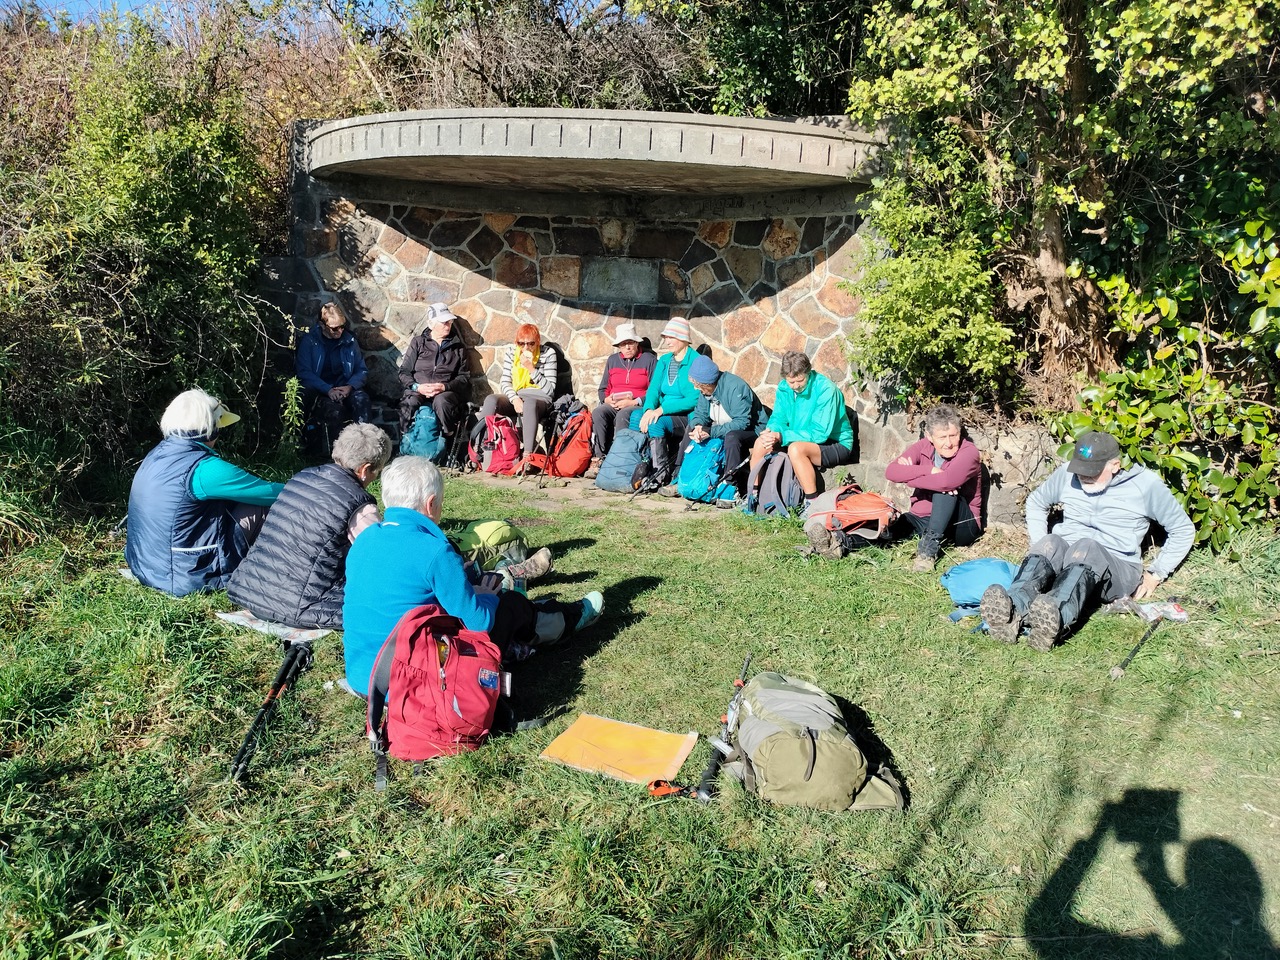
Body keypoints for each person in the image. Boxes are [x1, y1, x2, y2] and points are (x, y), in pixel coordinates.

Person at [342, 456, 605, 697]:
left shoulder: (364, 541)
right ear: (431, 504)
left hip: (365, 680)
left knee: (485, 595)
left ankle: (529, 624)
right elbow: (479, 624)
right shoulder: (433, 550)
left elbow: (406, 599)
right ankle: (570, 618)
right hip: (415, 688)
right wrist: (488, 597)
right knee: (509, 606)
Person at [980, 430, 1195, 651]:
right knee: (1050, 542)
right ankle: (1012, 608)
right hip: (1070, 557)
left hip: (1117, 567)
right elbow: (1036, 501)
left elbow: (1182, 529)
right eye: (1080, 469)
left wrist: (1156, 574)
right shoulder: (1066, 475)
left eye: (1092, 472)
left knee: (1087, 546)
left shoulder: (1145, 485)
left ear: (1114, 465)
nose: (1083, 476)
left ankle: (1057, 618)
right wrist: (1038, 542)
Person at [226, 424, 391, 630]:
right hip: (295, 605)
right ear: (365, 470)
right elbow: (379, 558)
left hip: (249, 589)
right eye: (377, 471)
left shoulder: (301, 477)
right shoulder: (360, 506)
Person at [125, 388, 284, 597]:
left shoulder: (157, 454)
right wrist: (306, 488)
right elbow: (269, 493)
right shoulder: (205, 469)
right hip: (185, 577)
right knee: (261, 506)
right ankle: (278, 568)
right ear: (211, 430)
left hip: (146, 566)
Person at [749, 351, 855, 514]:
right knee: (760, 443)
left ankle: (812, 504)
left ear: (808, 372)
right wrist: (772, 431)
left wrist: (783, 436)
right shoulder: (784, 388)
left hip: (835, 443)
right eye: (791, 381)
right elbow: (778, 417)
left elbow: (820, 433)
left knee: (796, 449)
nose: (795, 386)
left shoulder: (826, 389)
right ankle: (753, 497)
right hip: (798, 438)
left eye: (800, 380)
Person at [883, 405, 984, 571]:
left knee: (946, 489)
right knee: (894, 529)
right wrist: (928, 470)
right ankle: (844, 542)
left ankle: (927, 552)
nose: (949, 443)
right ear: (929, 436)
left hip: (962, 525)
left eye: (953, 435)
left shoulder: (969, 452)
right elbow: (891, 471)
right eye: (942, 437)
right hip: (924, 517)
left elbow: (946, 482)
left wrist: (911, 481)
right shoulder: (922, 447)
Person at [661, 353, 766, 497]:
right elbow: (700, 413)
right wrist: (698, 426)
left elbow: (742, 422)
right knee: (691, 428)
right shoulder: (706, 390)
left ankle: (730, 486)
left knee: (732, 437)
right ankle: (679, 477)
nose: (696, 389)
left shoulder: (735, 387)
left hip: (753, 430)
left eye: (698, 385)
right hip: (722, 426)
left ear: (707, 383)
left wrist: (711, 431)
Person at [629, 317, 699, 488]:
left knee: (655, 423)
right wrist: (648, 409)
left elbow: (694, 398)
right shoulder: (665, 360)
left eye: (671, 337)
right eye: (666, 337)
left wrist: (661, 410)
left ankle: (659, 475)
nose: (667, 341)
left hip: (684, 415)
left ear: (683, 338)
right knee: (636, 417)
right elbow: (653, 389)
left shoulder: (695, 361)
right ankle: (637, 469)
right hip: (662, 411)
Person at [295, 300, 371, 454]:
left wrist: (350, 387)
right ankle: (302, 444)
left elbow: (361, 370)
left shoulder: (349, 341)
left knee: (362, 400)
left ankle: (364, 447)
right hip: (320, 388)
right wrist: (327, 390)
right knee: (310, 399)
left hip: (344, 387)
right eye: (335, 328)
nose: (340, 331)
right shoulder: (310, 341)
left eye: (342, 326)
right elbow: (304, 372)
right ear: (322, 325)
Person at [585, 322, 655, 480]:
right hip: (614, 403)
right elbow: (603, 389)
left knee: (624, 414)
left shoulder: (649, 360)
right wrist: (607, 399)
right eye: (623, 344)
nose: (627, 347)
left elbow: (654, 391)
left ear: (637, 343)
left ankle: (619, 460)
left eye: (630, 343)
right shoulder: (613, 360)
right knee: (598, 412)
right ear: (619, 346)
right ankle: (599, 458)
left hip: (636, 404)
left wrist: (635, 402)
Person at [479, 322, 557, 462]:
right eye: (521, 344)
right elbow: (505, 382)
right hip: (518, 395)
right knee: (491, 399)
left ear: (537, 342)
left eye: (531, 343)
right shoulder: (512, 353)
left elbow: (550, 390)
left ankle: (528, 455)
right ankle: (481, 446)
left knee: (530, 403)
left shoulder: (548, 354)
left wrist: (531, 369)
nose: (526, 347)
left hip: (540, 398)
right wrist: (514, 398)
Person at [398, 301, 472, 441]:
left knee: (442, 402)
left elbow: (464, 377)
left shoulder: (458, 348)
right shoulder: (418, 342)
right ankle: (405, 441)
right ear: (431, 324)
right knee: (410, 402)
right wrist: (417, 387)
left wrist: (445, 387)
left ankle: (447, 440)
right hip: (418, 388)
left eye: (449, 322)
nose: (448, 326)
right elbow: (404, 372)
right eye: (444, 322)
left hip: (445, 391)